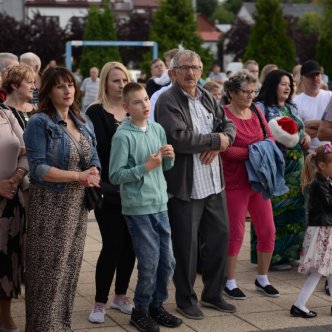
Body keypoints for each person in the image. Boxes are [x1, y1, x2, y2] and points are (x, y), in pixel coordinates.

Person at [155, 49, 236, 320]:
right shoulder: (168, 100)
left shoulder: (208, 96)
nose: (191, 73)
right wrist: (215, 141)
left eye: (195, 67)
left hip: (214, 184)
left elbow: (228, 126)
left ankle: (213, 294)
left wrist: (223, 139)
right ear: (174, 72)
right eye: (185, 67)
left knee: (219, 240)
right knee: (186, 247)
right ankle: (185, 298)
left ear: (202, 71)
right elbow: (178, 138)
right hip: (186, 187)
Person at [23, 67, 101, 332]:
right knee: (47, 273)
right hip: (49, 206)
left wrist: (93, 172)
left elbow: (94, 157)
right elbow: (39, 169)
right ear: (48, 91)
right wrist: (79, 176)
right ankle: (43, 327)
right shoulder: (39, 122)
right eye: (60, 86)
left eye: (70, 84)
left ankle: (61, 324)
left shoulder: (82, 120)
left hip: (77, 206)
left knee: (69, 269)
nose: (68, 90)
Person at [109, 82, 182, 332]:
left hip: (160, 203)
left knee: (168, 261)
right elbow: (115, 175)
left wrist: (169, 158)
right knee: (149, 262)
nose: (145, 105)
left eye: (147, 100)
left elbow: (164, 167)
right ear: (127, 107)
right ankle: (139, 310)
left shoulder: (157, 128)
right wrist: (145, 168)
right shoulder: (122, 135)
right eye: (138, 102)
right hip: (138, 208)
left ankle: (156, 306)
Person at [220, 70, 279, 300]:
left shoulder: (256, 110)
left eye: (253, 91)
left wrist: (256, 151)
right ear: (232, 93)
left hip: (259, 180)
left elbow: (270, 138)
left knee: (268, 230)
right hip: (235, 181)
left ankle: (262, 278)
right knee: (236, 233)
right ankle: (229, 281)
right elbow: (225, 150)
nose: (250, 96)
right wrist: (254, 152)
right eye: (245, 92)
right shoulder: (223, 114)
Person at [85, 62, 135, 323]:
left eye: (125, 79)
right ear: (104, 83)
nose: (121, 84)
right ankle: (99, 302)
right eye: (116, 80)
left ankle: (121, 296)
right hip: (107, 189)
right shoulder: (95, 112)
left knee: (130, 246)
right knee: (113, 244)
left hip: (134, 188)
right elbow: (99, 150)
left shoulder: (133, 109)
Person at [252, 70, 311, 270]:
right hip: (276, 170)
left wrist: (307, 137)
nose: (288, 87)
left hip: (296, 173)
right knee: (274, 211)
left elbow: (301, 130)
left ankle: (290, 253)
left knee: (295, 212)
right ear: (272, 85)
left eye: (290, 84)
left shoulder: (291, 107)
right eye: (283, 84)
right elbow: (258, 136)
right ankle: (273, 257)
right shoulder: (261, 107)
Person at [290, 143, 332, 319]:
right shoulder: (318, 184)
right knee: (318, 271)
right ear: (323, 166)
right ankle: (299, 304)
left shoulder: (325, 181)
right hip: (323, 230)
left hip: (326, 229)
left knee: (329, 270)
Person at [0, 106, 28, 332]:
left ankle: (5, 316)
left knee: (8, 263)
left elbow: (28, 151)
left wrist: (16, 177)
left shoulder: (6, 113)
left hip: (9, 200)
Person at [294, 60, 332, 152]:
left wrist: (308, 124)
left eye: (317, 75)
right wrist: (325, 126)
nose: (315, 79)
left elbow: (305, 129)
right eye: (311, 75)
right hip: (308, 154)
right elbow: (296, 132)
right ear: (302, 78)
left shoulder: (330, 96)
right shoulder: (295, 102)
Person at [1, 64, 36, 128]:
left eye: (34, 83)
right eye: (29, 82)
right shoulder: (2, 112)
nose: (34, 87)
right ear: (15, 86)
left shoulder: (36, 108)